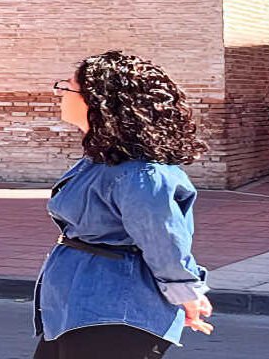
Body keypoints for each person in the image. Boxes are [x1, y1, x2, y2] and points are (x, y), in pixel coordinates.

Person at [33, 50, 213, 359]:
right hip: (79, 304)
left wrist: (186, 293)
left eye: (68, 87)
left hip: (116, 309)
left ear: (100, 102)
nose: (60, 93)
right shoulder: (101, 159)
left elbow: (163, 239)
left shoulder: (141, 173)